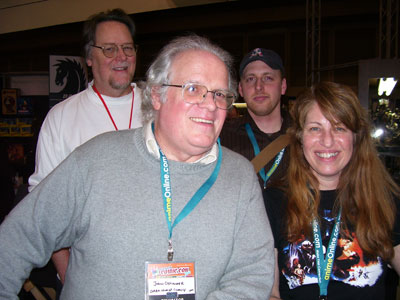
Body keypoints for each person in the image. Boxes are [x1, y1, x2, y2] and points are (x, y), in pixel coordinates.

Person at [0, 34, 274, 299]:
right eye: (193, 89)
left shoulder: (239, 177)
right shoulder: (97, 160)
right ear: (157, 95)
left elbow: (250, 275)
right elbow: (15, 241)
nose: (210, 105)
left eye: (219, 94)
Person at [27, 8, 143, 285]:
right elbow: (44, 204)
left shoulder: (161, 108)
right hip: (90, 274)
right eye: (110, 49)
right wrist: (68, 272)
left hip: (158, 272)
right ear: (89, 58)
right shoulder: (62, 118)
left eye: (127, 48)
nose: (121, 57)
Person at [264, 81, 400, 300]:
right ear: (300, 137)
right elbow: (271, 293)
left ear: (356, 137)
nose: (327, 141)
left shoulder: (385, 200)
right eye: (315, 128)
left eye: (339, 128)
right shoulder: (273, 201)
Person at [220, 48, 289, 188]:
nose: (258, 86)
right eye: (250, 79)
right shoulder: (220, 139)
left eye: (267, 78)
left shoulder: (305, 138)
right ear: (240, 89)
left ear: (283, 86)